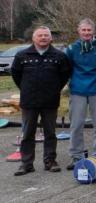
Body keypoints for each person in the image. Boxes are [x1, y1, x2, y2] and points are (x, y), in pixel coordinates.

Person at [11, 26, 71, 176]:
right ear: (33, 38)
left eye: (46, 35)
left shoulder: (59, 56)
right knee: (27, 134)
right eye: (40, 35)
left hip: (50, 101)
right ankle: (26, 164)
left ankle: (50, 161)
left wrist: (53, 89)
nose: (43, 38)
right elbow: (16, 75)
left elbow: (64, 76)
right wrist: (26, 89)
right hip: (29, 101)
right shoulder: (22, 55)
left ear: (51, 38)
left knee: (50, 133)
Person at [65, 18, 96, 170]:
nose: (86, 33)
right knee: (76, 125)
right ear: (78, 31)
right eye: (83, 30)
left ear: (93, 31)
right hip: (78, 90)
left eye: (89, 30)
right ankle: (76, 155)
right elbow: (68, 69)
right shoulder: (72, 49)